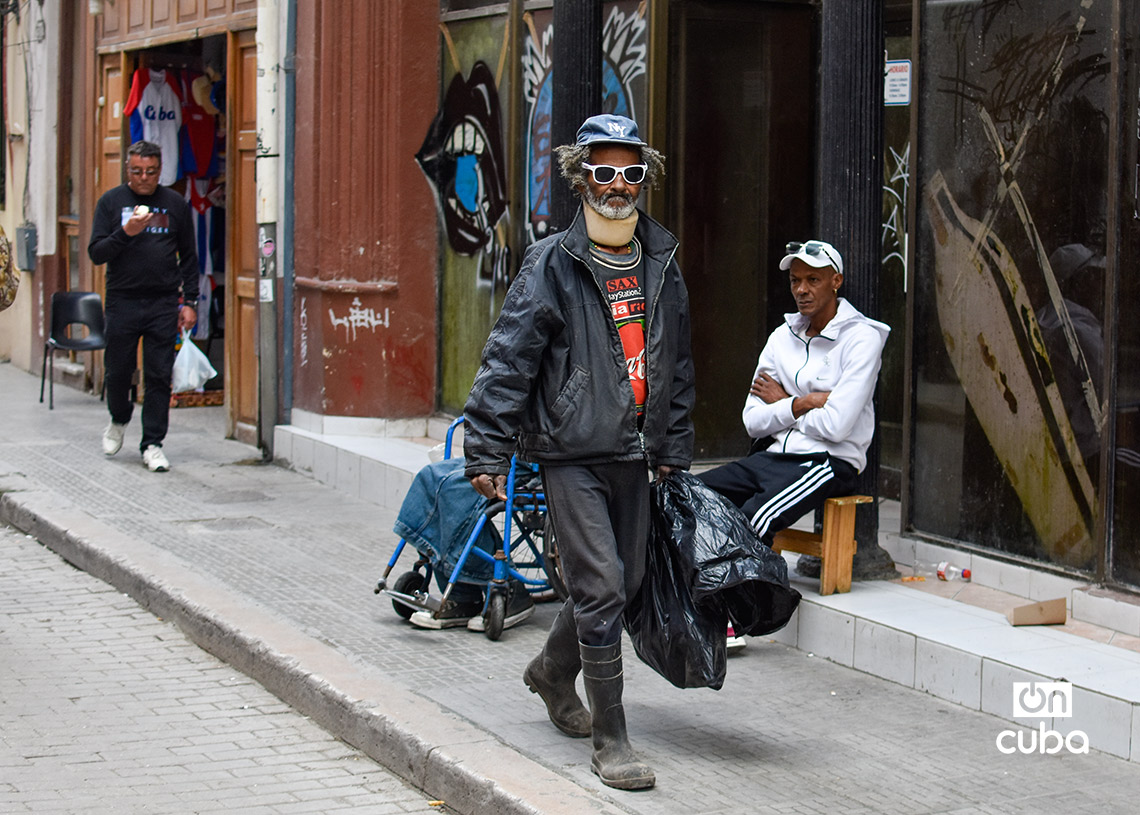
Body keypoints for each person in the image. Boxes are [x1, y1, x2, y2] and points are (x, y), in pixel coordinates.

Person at [463, 114, 694, 791]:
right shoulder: (550, 263)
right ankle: (611, 737)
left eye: (629, 172)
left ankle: (551, 671)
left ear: (643, 178)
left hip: (636, 452)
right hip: (569, 451)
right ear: (578, 177)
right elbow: (508, 360)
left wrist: (675, 447)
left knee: (622, 584)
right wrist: (487, 450)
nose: (616, 186)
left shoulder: (662, 259)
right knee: (600, 586)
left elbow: (677, 366)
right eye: (602, 171)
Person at [699, 240, 889, 565]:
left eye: (813, 280)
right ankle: (693, 589)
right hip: (773, 455)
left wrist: (786, 403)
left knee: (754, 518)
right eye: (795, 280)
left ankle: (745, 609)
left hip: (827, 461)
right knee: (687, 495)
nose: (802, 289)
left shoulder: (861, 339)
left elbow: (836, 426)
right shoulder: (781, 337)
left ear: (836, 281)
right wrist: (803, 404)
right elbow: (753, 420)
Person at [89, 140, 199, 472]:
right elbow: (97, 253)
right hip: (122, 300)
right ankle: (119, 418)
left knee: (158, 375)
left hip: (163, 302)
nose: (144, 178)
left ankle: (152, 443)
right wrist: (126, 232)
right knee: (118, 371)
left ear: (160, 170)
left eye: (151, 172)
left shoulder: (175, 205)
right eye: (137, 171)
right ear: (127, 169)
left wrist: (190, 301)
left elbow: (190, 257)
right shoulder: (111, 202)